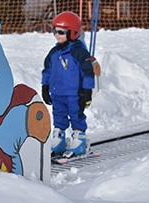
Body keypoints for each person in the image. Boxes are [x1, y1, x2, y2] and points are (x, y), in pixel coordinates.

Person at [41, 11, 95, 157]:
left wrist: (87, 91)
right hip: (57, 93)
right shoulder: (54, 52)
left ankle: (80, 141)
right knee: (58, 116)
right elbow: (47, 70)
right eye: (54, 31)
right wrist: (45, 87)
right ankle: (58, 141)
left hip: (74, 94)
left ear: (73, 32)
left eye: (61, 32)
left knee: (76, 115)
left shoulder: (79, 53)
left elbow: (88, 73)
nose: (56, 34)